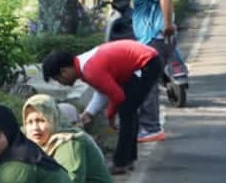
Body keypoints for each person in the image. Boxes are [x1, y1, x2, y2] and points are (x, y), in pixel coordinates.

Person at [43, 40, 162, 175]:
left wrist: (110, 116)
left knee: (127, 110)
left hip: (147, 63)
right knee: (129, 111)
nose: (61, 84)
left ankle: (121, 162)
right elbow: (104, 91)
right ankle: (128, 158)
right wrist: (89, 113)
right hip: (144, 61)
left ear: (64, 71)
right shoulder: (84, 66)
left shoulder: (89, 70)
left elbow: (117, 96)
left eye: (58, 80)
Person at [21, 95, 122, 183]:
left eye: (41, 120)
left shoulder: (69, 141)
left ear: (53, 119)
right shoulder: (34, 141)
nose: (35, 127)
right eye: (29, 122)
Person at [124, 0, 175, 145]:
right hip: (152, 39)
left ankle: (151, 127)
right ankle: (149, 126)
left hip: (153, 39)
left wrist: (167, 25)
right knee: (148, 82)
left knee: (147, 84)